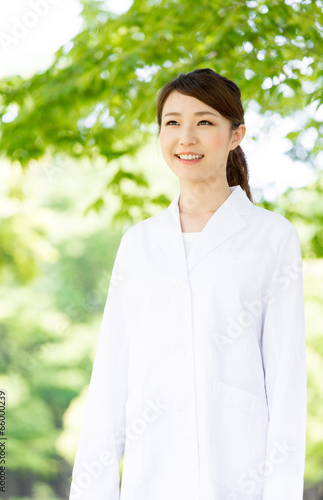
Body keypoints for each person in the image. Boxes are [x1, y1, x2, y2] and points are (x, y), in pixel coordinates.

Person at [68, 68, 307, 500]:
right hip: (151, 480)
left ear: (236, 135)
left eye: (205, 122)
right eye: (172, 122)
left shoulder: (271, 237)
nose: (186, 137)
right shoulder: (139, 243)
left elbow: (287, 386)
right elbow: (109, 383)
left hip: (237, 478)